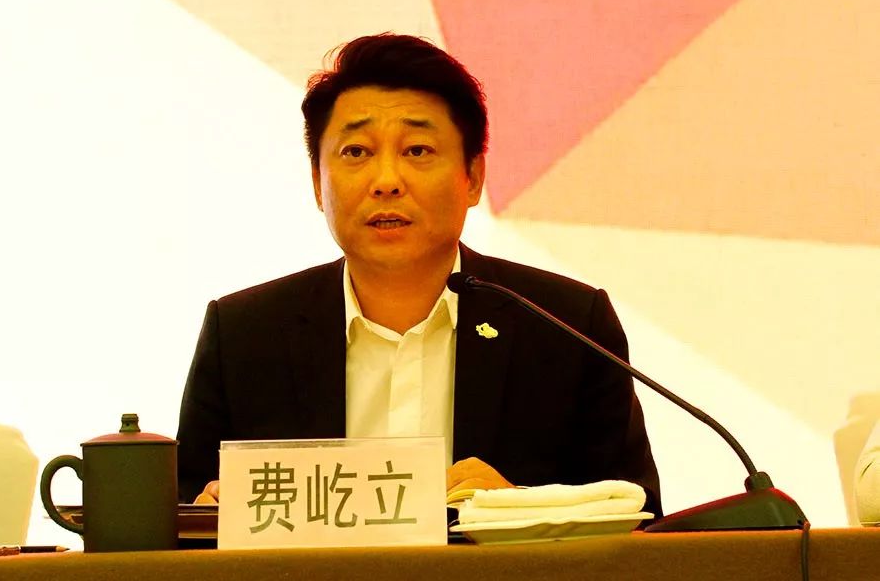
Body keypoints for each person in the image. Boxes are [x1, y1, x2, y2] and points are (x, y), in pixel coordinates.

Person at [176, 33, 662, 516]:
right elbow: (178, 518)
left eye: (417, 151)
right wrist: (206, 514)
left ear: (473, 178)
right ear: (317, 184)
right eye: (356, 152)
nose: (386, 181)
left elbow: (638, 520)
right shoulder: (243, 334)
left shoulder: (567, 325)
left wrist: (524, 514)